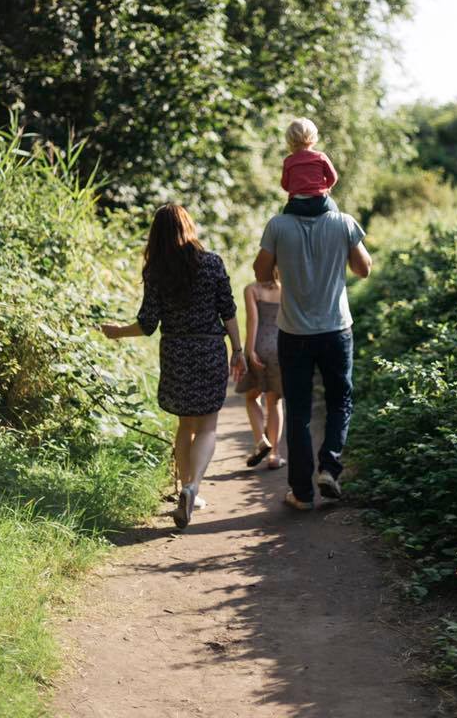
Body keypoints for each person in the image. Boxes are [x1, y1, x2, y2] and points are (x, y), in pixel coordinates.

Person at [100, 204, 246, 530]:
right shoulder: (211, 263)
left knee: (186, 425)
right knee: (208, 426)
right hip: (209, 348)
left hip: (177, 351)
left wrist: (118, 333)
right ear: (188, 226)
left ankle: (184, 489)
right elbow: (229, 311)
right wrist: (237, 350)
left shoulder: (157, 272)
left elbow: (147, 324)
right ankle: (194, 489)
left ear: (157, 235)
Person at [253, 201, 372, 510]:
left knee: (298, 411)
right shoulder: (343, 222)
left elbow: (262, 272)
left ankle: (302, 494)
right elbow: (364, 268)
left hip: (294, 333)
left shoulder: (278, 224)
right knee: (339, 403)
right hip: (336, 330)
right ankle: (329, 468)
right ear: (326, 186)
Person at [235, 268, 285, 469]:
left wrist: (249, 352)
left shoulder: (252, 290)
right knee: (275, 402)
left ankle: (261, 443)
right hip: (282, 347)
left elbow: (252, 321)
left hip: (260, 347)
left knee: (252, 397)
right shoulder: (288, 289)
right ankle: (275, 455)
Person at [281, 117, 339, 217]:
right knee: (335, 212)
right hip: (320, 202)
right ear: (313, 137)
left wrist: (297, 187)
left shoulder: (289, 161)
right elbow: (333, 177)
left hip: (296, 205)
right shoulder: (320, 156)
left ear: (289, 141)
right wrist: (326, 186)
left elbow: (285, 185)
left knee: (285, 215)